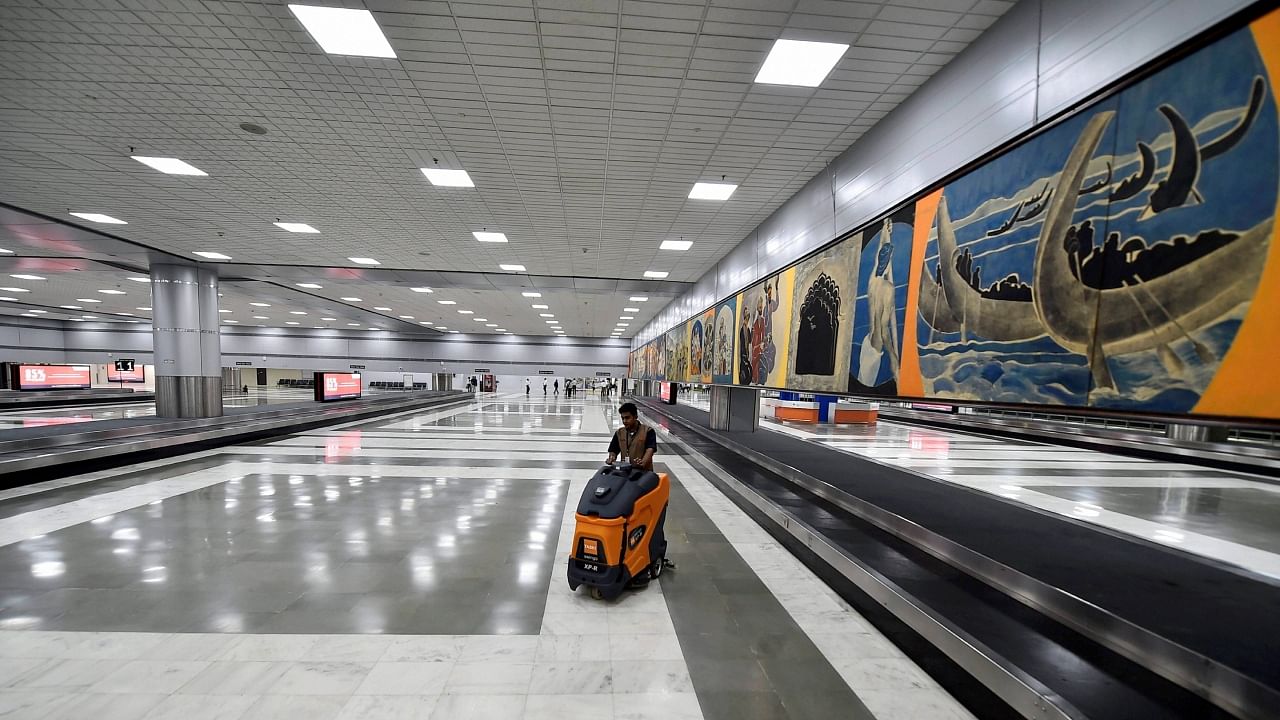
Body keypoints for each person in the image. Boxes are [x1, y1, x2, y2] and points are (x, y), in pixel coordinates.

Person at [606, 402, 656, 471]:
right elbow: (613, 450)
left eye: (627, 418)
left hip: (644, 474)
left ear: (635, 417)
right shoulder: (619, 433)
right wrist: (612, 457)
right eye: (622, 418)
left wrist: (642, 462)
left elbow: (650, 450)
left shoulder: (648, 431)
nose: (624, 421)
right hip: (625, 472)